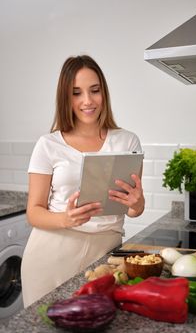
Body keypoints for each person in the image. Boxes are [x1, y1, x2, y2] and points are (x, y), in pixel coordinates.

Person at [21, 54, 145, 308]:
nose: (87, 101)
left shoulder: (127, 141)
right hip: (50, 252)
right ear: (65, 98)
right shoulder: (48, 144)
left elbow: (133, 209)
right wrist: (66, 218)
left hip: (104, 256)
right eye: (76, 92)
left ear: (104, 93)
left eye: (94, 90)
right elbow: (34, 212)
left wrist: (138, 202)